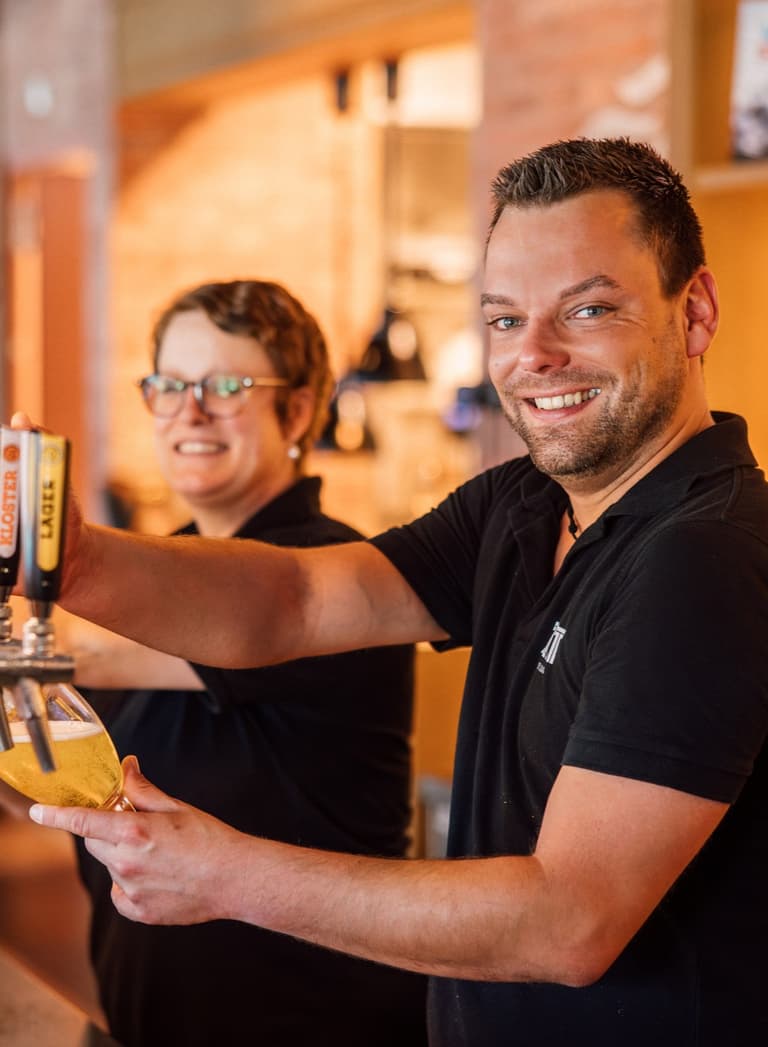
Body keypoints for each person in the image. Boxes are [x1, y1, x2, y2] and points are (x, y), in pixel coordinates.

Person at [24, 138, 768, 1046]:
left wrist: (223, 875)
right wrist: (60, 550)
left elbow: (569, 918)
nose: (532, 355)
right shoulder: (524, 506)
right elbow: (296, 598)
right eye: (502, 319)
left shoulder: (706, 555)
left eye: (588, 309)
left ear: (693, 312)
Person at [54, 280, 428, 1047]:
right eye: (168, 386)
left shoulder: (338, 575)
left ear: (297, 411)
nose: (189, 412)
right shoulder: (151, 587)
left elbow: (100, 650)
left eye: (225, 387)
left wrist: (45, 561)